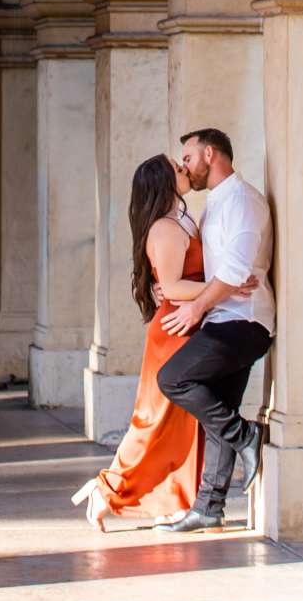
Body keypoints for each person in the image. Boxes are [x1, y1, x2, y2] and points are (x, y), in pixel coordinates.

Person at [69, 154, 216, 529]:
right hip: (173, 333)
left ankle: (177, 498)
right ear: (165, 183)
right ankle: (108, 488)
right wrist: (224, 289)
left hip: (185, 326)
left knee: (182, 422)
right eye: (178, 169)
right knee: (154, 421)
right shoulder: (165, 229)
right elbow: (172, 287)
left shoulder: (178, 220)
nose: (185, 171)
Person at [152, 126, 274, 532]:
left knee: (173, 379)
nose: (184, 166)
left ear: (210, 155)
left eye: (187, 158)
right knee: (217, 408)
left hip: (243, 321)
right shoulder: (213, 207)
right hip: (225, 317)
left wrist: (195, 310)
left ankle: (245, 437)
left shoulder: (242, 201)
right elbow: (211, 270)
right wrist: (166, 287)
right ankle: (209, 507)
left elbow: (237, 271)